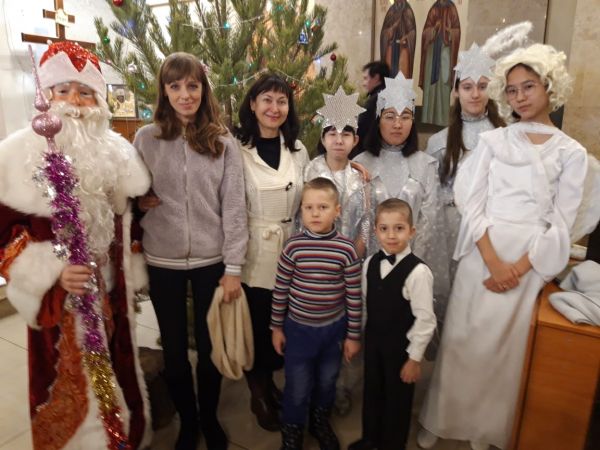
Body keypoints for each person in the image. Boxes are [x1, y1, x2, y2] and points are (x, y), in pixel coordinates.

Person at [418, 44, 591, 450]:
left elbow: (562, 222)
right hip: (484, 250)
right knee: (463, 339)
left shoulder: (571, 152)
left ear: (549, 87)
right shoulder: (494, 142)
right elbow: (470, 200)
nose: (519, 97)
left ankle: (484, 427)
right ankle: (443, 418)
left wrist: (519, 268)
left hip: (530, 260)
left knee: (505, 349)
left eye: (528, 86)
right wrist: (493, 261)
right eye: (512, 90)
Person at [0, 42, 152, 449]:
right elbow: (5, 235)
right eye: (63, 90)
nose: (75, 103)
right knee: (72, 382)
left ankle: (122, 437)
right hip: (61, 299)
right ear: (46, 95)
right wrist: (50, 271)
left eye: (85, 93)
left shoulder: (117, 151)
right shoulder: (14, 155)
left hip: (110, 288)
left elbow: (128, 219)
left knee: (117, 365)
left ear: (99, 101)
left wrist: (130, 261)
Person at [134, 52, 247, 450]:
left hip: (210, 261)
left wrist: (233, 267)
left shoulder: (222, 142)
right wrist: (139, 202)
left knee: (211, 347)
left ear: (203, 89)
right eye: (175, 86)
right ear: (164, 91)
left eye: (193, 86)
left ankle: (209, 418)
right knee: (175, 350)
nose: (185, 95)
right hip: (161, 259)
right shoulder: (146, 138)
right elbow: (129, 191)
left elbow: (234, 208)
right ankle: (188, 420)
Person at [234, 74, 310, 431]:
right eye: (267, 99)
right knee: (257, 324)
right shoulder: (236, 149)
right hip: (253, 251)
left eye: (282, 101)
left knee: (282, 323)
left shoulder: (298, 149)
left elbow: (314, 191)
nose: (274, 108)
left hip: (291, 246)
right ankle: (259, 392)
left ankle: (271, 384)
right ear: (253, 104)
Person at [271, 177, 362, 450]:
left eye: (323, 207)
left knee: (327, 381)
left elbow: (354, 296)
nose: (315, 213)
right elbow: (281, 290)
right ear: (301, 210)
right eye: (308, 207)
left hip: (333, 330)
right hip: (298, 330)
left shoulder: (346, 249)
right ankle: (292, 431)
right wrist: (276, 327)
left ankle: (319, 421)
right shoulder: (293, 247)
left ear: (337, 211)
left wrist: (353, 335)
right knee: (297, 385)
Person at [354, 72, 451, 318]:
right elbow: (357, 219)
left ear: (412, 121)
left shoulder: (426, 165)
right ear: (378, 120)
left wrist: (408, 266)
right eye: (390, 116)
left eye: (405, 116)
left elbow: (429, 222)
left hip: (412, 268)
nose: (398, 124)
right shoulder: (360, 164)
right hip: (369, 268)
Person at [349, 199, 435, 450]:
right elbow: (366, 303)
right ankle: (370, 439)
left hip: (401, 350)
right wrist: (356, 337)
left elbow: (426, 320)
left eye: (399, 228)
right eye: (384, 228)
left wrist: (414, 359)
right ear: (375, 231)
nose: (391, 235)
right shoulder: (369, 264)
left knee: (397, 400)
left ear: (411, 231)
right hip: (374, 343)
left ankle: (392, 444)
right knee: (372, 392)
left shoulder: (418, 272)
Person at [425, 43, 505, 289]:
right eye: (468, 87)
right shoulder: (438, 142)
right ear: (456, 91)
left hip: (493, 228)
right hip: (450, 229)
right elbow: (431, 193)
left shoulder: (506, 136)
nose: (475, 94)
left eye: (482, 86)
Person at [419, 0, 461, 126]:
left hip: (445, 51)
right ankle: (427, 119)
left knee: (444, 82)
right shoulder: (434, 8)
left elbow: (457, 31)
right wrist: (434, 29)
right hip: (432, 53)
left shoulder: (452, 8)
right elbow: (425, 32)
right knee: (430, 86)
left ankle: (442, 119)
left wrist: (449, 31)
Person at [353, 61, 390, 159]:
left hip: (371, 153)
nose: (363, 83)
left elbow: (362, 129)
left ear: (376, 78)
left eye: (366, 78)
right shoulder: (389, 96)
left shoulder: (375, 100)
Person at [380, 0, 416, 79]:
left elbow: (412, 32)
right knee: (388, 77)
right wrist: (391, 30)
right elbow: (384, 33)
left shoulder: (408, 11)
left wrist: (406, 38)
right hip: (390, 48)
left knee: (402, 77)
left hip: (403, 49)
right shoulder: (391, 12)